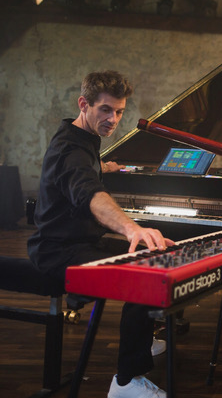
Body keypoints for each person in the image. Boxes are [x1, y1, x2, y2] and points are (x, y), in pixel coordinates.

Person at [28, 70, 174, 398]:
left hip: (80, 242)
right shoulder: (70, 150)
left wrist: (105, 167)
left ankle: (141, 339)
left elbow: (86, 170)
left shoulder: (83, 140)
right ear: (84, 104)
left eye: (120, 111)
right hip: (56, 252)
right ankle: (126, 382)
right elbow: (89, 193)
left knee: (153, 258)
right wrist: (131, 227)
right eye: (105, 110)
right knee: (144, 274)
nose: (114, 119)